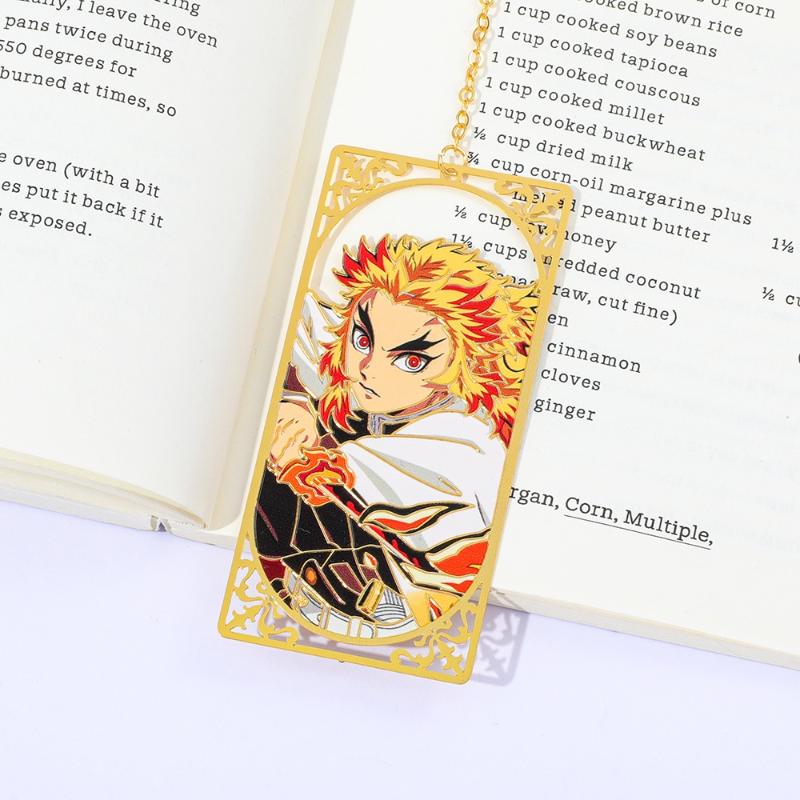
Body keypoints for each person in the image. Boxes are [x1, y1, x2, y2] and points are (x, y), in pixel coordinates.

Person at [254, 234, 538, 638]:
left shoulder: (468, 437)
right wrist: (294, 401)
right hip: (308, 593)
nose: (368, 369)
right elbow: (302, 318)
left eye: (411, 360)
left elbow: (367, 468)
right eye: (363, 339)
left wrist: (304, 442)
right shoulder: (361, 378)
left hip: (405, 619)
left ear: (466, 365)